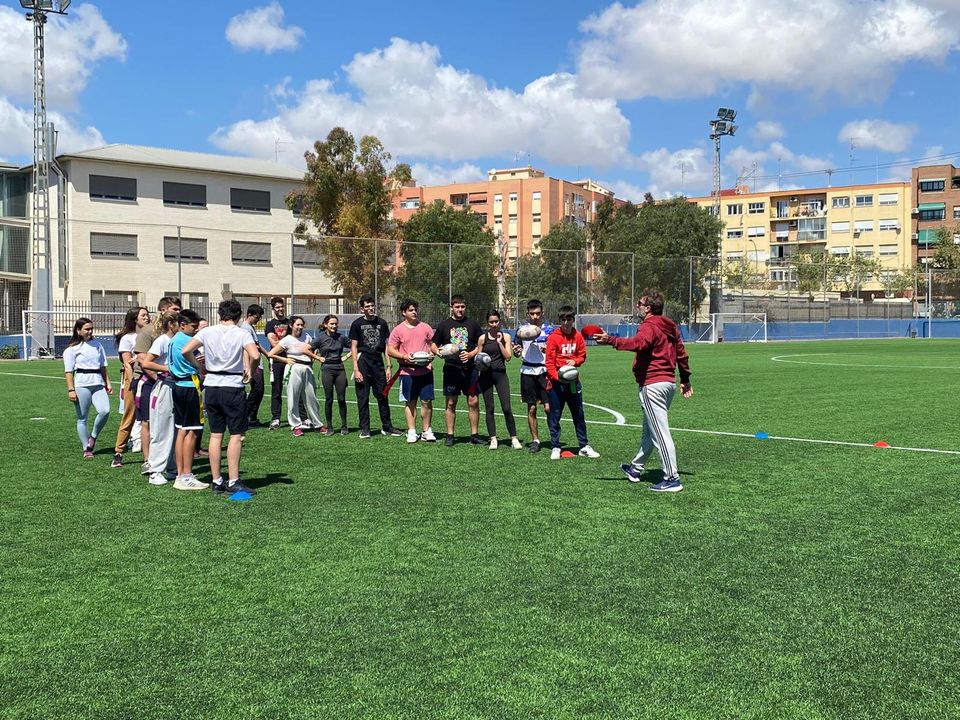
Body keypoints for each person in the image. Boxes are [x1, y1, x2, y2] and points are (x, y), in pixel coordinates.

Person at [594, 291, 692, 493]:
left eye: (639, 303)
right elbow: (681, 353)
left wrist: (611, 340)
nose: (637, 306)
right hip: (667, 384)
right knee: (649, 430)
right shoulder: (670, 326)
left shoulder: (649, 326)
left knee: (660, 434)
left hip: (652, 384)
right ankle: (635, 469)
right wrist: (685, 379)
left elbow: (638, 343)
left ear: (648, 308)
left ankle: (672, 478)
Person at [182, 299, 259, 496]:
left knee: (216, 434)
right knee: (236, 435)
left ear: (220, 314)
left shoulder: (208, 331)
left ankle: (217, 480)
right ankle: (233, 480)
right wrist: (249, 371)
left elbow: (186, 350)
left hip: (212, 386)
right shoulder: (241, 333)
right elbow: (255, 355)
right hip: (232, 386)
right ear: (239, 315)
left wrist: (200, 366)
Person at [132, 296, 181, 473]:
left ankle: (168, 462)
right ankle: (149, 461)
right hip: (149, 383)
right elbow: (144, 360)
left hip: (167, 384)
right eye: (175, 310)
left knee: (169, 424)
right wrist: (162, 376)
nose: (178, 313)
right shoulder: (150, 333)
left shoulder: (175, 337)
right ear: (164, 310)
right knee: (149, 422)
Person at [544, 306, 600, 461]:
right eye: (563, 320)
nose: (566, 323)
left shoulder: (578, 336)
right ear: (559, 320)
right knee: (555, 415)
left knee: (579, 414)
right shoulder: (554, 338)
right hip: (557, 384)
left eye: (569, 319)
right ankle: (555, 446)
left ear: (573, 320)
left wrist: (574, 361)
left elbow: (582, 356)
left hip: (574, 383)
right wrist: (557, 377)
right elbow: (549, 363)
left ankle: (583, 446)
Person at [431, 294, 483, 446]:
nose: (460, 309)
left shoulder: (473, 324)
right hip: (451, 369)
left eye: (462, 306)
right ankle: (450, 435)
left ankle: (474, 435)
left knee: (473, 401)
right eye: (457, 306)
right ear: (451, 307)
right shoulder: (444, 325)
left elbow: (481, 344)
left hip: (470, 369)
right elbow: (433, 344)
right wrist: (438, 352)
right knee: (451, 403)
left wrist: (471, 354)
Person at [349, 294, 402, 438]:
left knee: (382, 396)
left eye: (372, 305)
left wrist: (388, 365)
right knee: (363, 398)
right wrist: (356, 369)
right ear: (362, 309)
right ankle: (365, 429)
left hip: (378, 363)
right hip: (363, 362)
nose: (371, 308)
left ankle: (387, 427)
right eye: (367, 306)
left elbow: (386, 345)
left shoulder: (382, 323)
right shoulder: (357, 324)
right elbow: (354, 347)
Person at [166, 309, 208, 490]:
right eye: (193, 326)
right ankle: (186, 475)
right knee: (192, 431)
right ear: (183, 325)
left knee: (182, 431)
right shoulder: (186, 341)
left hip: (178, 386)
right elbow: (187, 354)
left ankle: (181, 474)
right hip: (189, 386)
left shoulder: (173, 339)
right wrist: (198, 364)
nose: (196, 330)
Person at [387, 299, 436, 443]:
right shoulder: (398, 330)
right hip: (407, 372)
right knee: (410, 402)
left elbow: (432, 343)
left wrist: (434, 353)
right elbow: (390, 350)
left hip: (426, 370)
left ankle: (427, 431)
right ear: (404, 312)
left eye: (415, 309)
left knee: (427, 401)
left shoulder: (425, 327)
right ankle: (412, 431)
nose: (414, 312)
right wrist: (403, 356)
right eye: (410, 310)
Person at [266, 316, 325, 436]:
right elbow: (270, 354)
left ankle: (318, 424)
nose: (300, 327)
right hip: (294, 368)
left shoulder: (307, 337)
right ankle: (296, 425)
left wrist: (314, 356)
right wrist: (285, 359)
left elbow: (311, 350)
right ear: (291, 326)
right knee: (293, 397)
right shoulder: (287, 339)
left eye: (301, 325)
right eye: (297, 325)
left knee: (311, 398)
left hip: (307, 368)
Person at [63, 317, 112, 458]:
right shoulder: (71, 349)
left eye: (91, 328)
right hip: (81, 385)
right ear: (78, 331)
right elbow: (68, 372)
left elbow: (103, 366)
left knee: (105, 411)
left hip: (98, 384)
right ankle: (87, 448)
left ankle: (93, 437)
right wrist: (71, 389)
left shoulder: (98, 345)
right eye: (87, 329)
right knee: (82, 418)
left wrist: (107, 382)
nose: (90, 331)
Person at [477, 310, 523, 450]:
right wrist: (481, 363)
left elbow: (508, 357)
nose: (494, 324)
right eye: (491, 322)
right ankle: (493, 439)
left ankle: (514, 438)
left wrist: (500, 343)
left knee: (506, 408)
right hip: (485, 376)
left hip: (500, 375)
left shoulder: (506, 336)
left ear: (500, 321)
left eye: (496, 321)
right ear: (487, 323)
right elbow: (478, 358)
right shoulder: (482, 338)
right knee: (489, 408)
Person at [111, 306, 149, 468]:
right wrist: (131, 383)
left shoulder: (150, 335)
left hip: (149, 378)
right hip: (134, 379)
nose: (147, 318)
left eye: (147, 315)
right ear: (135, 319)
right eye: (143, 315)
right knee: (129, 416)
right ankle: (118, 452)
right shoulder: (128, 338)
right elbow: (127, 364)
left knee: (149, 419)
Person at [512, 299, 552, 453]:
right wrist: (516, 351)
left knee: (549, 408)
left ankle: (553, 438)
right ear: (527, 314)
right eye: (532, 313)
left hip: (544, 371)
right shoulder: (522, 331)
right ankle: (535, 440)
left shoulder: (549, 330)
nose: (535, 316)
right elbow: (517, 350)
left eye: (538, 313)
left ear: (542, 313)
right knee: (532, 408)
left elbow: (554, 350)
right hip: (527, 371)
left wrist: (547, 351)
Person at [264, 296, 306, 429]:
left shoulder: (290, 322)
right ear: (273, 309)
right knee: (276, 389)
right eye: (277, 307)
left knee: (296, 388)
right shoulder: (270, 324)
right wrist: (286, 344)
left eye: (282, 306)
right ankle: (276, 418)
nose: (280, 309)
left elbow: (297, 339)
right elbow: (274, 343)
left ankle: (302, 417)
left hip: (292, 359)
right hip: (277, 360)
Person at [312, 314, 351, 435]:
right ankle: (329, 427)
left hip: (340, 369)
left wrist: (346, 356)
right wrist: (318, 357)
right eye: (331, 324)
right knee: (329, 399)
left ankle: (344, 426)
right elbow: (306, 349)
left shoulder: (341, 337)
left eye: (335, 324)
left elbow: (355, 347)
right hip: (327, 370)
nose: (334, 326)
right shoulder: (320, 338)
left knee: (341, 399)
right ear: (325, 325)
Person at [239, 304, 268, 425]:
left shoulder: (250, 327)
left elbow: (256, 344)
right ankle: (245, 415)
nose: (258, 320)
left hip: (256, 362)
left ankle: (252, 417)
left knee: (259, 390)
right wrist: (248, 366)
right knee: (257, 389)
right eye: (257, 317)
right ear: (249, 315)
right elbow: (248, 347)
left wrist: (267, 354)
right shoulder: (245, 328)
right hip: (252, 363)